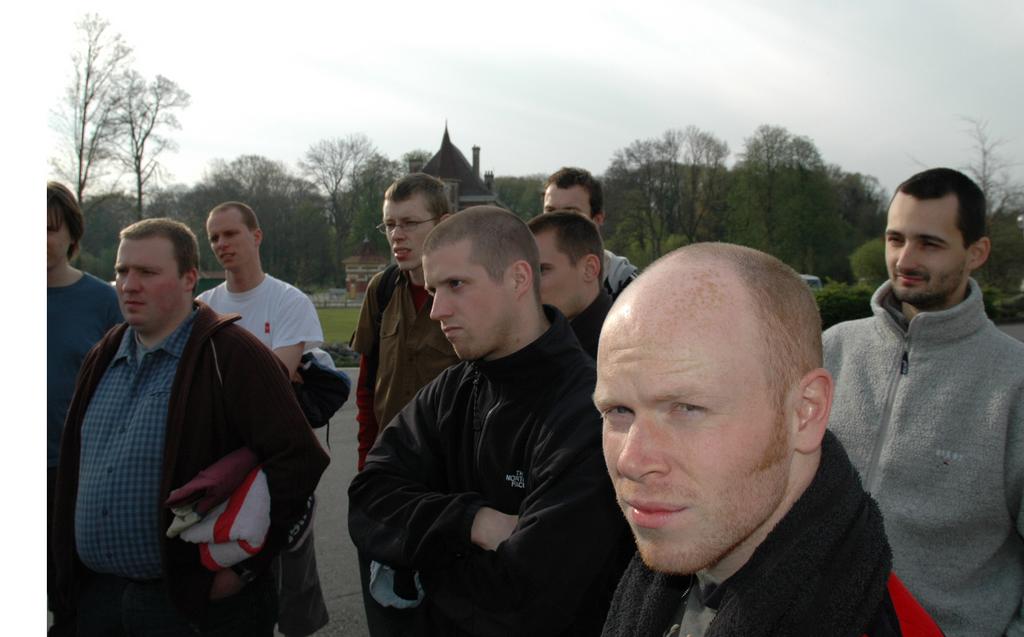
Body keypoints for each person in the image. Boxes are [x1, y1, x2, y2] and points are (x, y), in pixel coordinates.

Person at [596, 242, 941, 636]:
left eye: (686, 408)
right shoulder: (664, 583)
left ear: (805, 411)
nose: (631, 460)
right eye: (617, 411)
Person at [348, 206, 631, 636]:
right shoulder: (453, 389)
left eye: (456, 285)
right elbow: (368, 500)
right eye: (433, 289)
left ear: (519, 279)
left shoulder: (589, 409)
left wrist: (418, 568)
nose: (436, 310)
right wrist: (471, 522)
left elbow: (528, 598)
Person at [51, 218, 329, 636]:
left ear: (189, 279)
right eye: (122, 271)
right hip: (99, 600)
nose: (129, 284)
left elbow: (299, 459)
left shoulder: (232, 353)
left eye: (147, 273)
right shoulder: (102, 355)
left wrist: (245, 569)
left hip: (190, 606)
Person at [824, 167, 1024, 636]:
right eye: (895, 239)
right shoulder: (831, 349)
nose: (904, 258)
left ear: (977, 252)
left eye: (929, 243)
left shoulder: (1015, 383)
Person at [197, 201, 330, 637]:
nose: (221, 244)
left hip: (280, 460)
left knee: (292, 576)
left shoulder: (288, 300)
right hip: (220, 460)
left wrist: (225, 387)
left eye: (230, 234)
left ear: (256, 236)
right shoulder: (203, 306)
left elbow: (278, 377)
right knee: (228, 566)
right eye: (214, 237)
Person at [349, 174, 461, 635]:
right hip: (388, 480)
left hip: (450, 485)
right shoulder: (381, 290)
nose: (398, 235)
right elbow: (366, 386)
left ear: (445, 223)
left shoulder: (466, 292)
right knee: (390, 617)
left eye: (410, 222)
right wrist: (366, 466)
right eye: (390, 224)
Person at [46, 181, 122, 623]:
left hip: (73, 471)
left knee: (72, 598)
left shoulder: (104, 301)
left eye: (48, 228)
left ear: (72, 235)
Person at [542, 166, 638, 298]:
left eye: (570, 213)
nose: (557, 222)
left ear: (597, 220)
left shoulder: (624, 284)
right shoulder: (525, 278)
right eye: (550, 211)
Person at [527, 211, 612, 358]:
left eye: (542, 270)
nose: (527, 286)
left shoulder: (624, 351)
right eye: (523, 275)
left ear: (589, 269)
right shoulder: (538, 342)